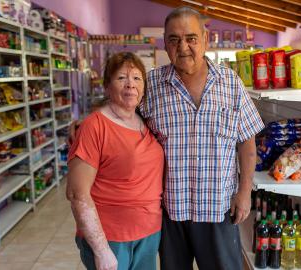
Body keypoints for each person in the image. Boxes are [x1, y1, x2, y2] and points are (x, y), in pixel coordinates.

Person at [139, 7, 265, 270]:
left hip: (218, 208)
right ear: (165, 43)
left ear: (206, 40)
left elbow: (247, 142)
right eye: (174, 39)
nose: (183, 46)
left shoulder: (230, 83)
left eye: (191, 38)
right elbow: (121, 108)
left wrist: (244, 192)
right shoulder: (151, 85)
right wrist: (92, 118)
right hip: (171, 209)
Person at [66, 52, 164, 270]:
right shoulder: (94, 126)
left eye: (137, 78)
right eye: (121, 78)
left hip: (149, 232)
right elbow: (77, 194)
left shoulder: (145, 121)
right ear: (107, 86)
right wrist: (101, 250)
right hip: (111, 237)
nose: (130, 84)